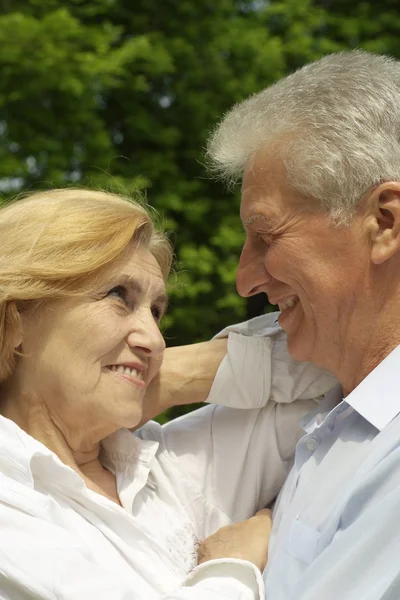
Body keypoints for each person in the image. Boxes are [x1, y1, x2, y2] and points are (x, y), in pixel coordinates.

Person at [0, 188, 335, 600]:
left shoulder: (159, 469)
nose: (155, 340)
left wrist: (176, 375)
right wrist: (230, 569)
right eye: (118, 296)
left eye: (156, 312)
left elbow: (345, 350)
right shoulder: (12, 502)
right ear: (16, 320)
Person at [206, 49, 400, 599]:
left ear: (383, 223)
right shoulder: (335, 418)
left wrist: (225, 571)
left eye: (266, 236)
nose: (245, 280)